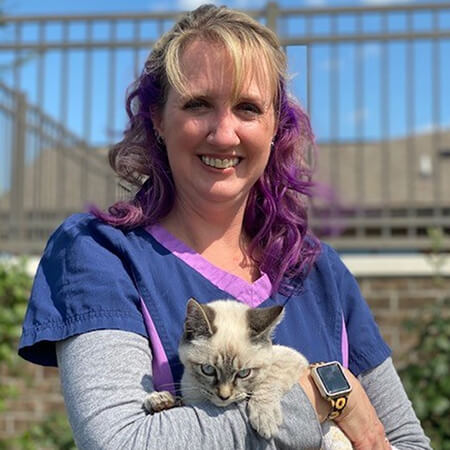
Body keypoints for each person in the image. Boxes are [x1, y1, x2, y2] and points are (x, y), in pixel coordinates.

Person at [19, 5, 430, 449]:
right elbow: (123, 442)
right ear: (157, 117)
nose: (224, 133)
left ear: (275, 125)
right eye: (198, 104)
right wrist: (320, 397)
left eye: (248, 108)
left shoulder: (317, 272)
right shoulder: (99, 253)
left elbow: (405, 441)